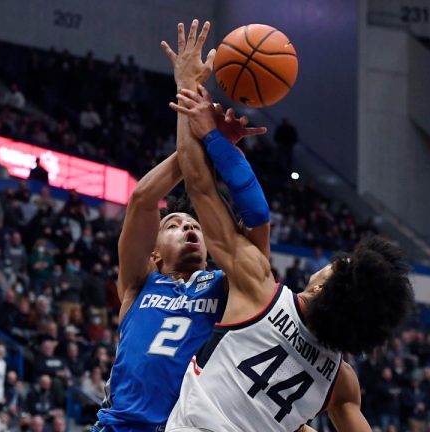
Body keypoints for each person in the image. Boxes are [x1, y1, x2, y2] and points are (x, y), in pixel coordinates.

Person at [164, 20, 413, 432]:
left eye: (337, 265)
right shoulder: (340, 383)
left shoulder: (258, 288)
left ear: (318, 288)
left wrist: (191, 92)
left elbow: (199, 187)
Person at [94, 20, 269, 432]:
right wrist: (201, 135)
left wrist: (214, 144)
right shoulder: (138, 286)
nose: (189, 228)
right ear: (154, 253)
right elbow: (140, 200)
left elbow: (258, 226)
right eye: (174, 224)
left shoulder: (227, 286)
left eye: (195, 226)